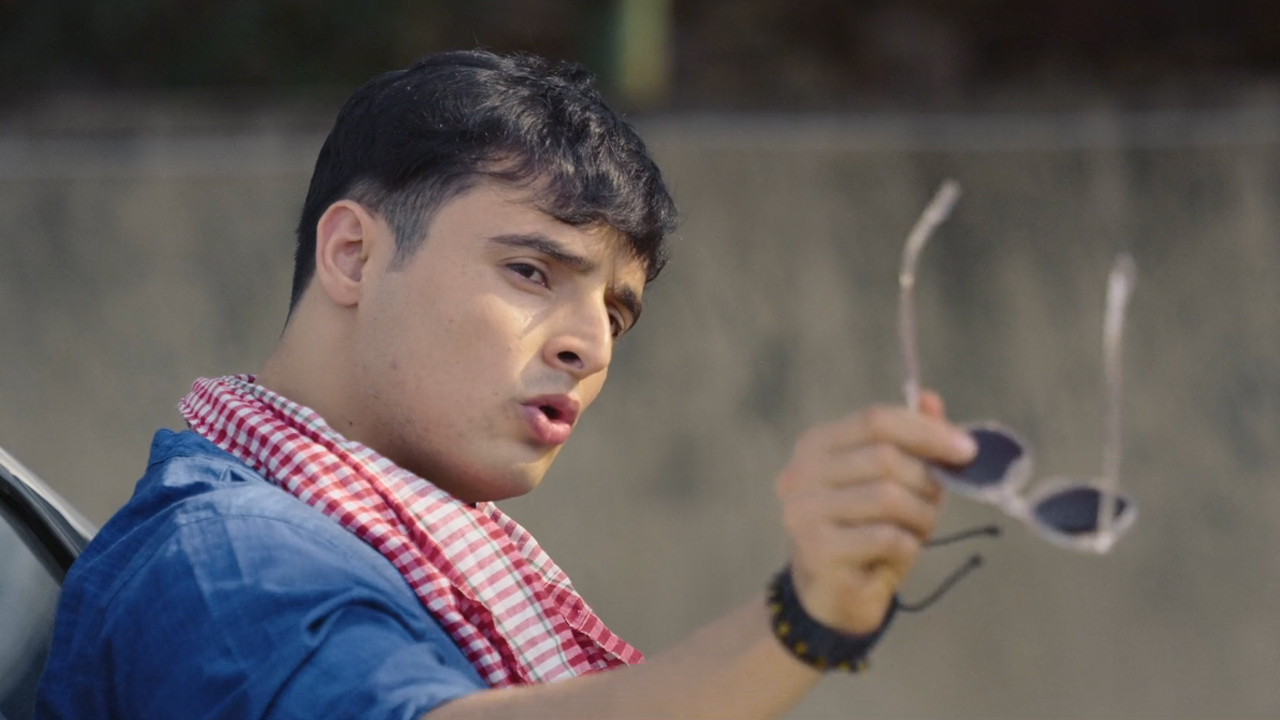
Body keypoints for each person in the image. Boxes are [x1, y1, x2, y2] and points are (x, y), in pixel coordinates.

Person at [34, 49, 977, 719]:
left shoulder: (423, 558)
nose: (591, 346)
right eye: (532, 272)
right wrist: (799, 624)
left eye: (617, 314)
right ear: (353, 254)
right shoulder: (227, 556)